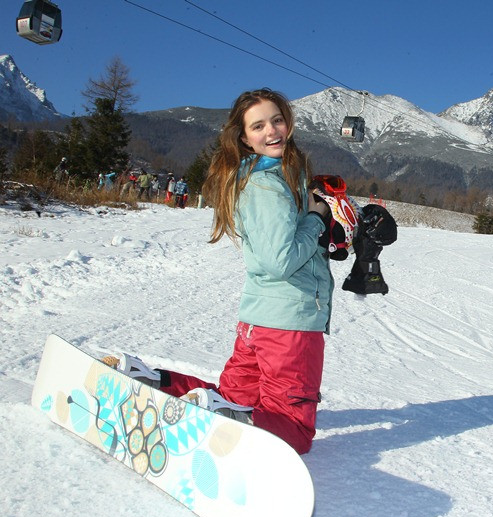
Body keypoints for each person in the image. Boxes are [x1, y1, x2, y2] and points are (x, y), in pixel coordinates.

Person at [103, 88, 333, 456]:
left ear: (288, 122)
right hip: (290, 324)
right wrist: (316, 220)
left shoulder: (254, 175)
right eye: (259, 126)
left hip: (258, 322)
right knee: (295, 430)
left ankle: (149, 381)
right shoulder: (268, 184)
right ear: (244, 137)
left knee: (232, 397)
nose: (272, 131)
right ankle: (224, 417)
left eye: (277, 120)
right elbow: (281, 260)